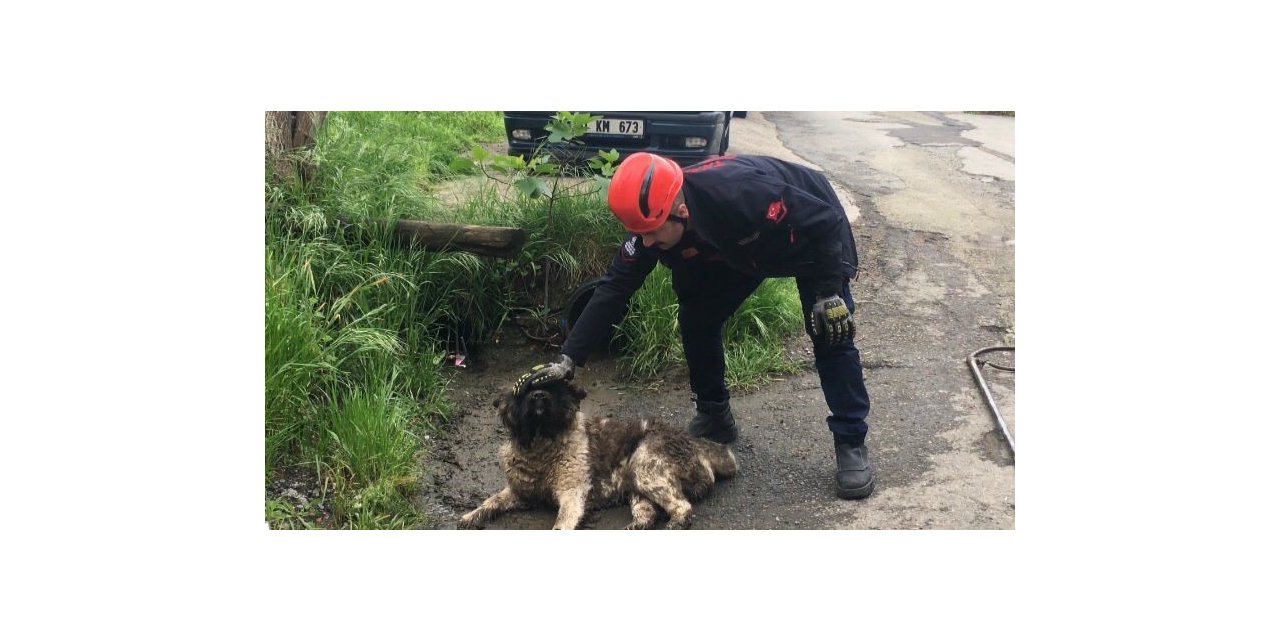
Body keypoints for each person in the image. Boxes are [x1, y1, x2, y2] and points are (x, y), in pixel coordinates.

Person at [513, 152, 874, 500]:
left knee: (829, 331)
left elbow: (825, 221)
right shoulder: (654, 224)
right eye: (640, 234)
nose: (647, 243)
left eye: (652, 233)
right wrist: (567, 360)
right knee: (697, 317)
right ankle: (714, 413)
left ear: (681, 211)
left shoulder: (741, 194)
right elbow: (613, 287)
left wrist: (828, 294)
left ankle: (851, 440)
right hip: (739, 246)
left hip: (809, 235)